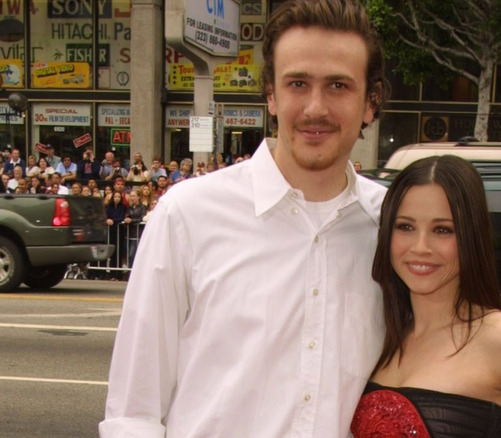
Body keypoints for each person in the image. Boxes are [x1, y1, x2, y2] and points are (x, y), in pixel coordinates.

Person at [99, 0, 390, 436]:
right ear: (271, 95)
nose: (315, 107)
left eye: (338, 86)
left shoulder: (392, 229)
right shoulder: (187, 216)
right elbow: (134, 411)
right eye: (297, 83)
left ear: (371, 102)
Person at [350, 155, 501, 438]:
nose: (420, 247)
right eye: (405, 226)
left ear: (470, 236)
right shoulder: (382, 333)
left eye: (443, 230)